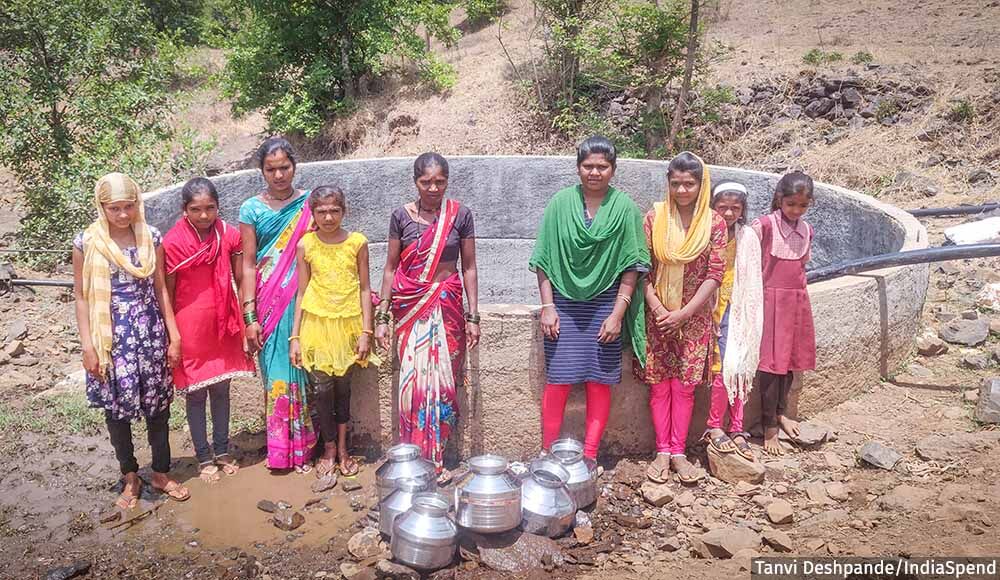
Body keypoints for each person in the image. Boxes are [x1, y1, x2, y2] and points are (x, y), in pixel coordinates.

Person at [72, 172, 190, 509]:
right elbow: (81, 296)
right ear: (101, 207)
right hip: (111, 340)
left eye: (129, 206)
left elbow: (160, 289)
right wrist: (88, 346)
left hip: (150, 334)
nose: (123, 215)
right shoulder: (86, 243)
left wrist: (174, 335)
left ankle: (162, 473)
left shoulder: (150, 237)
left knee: (158, 407)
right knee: (117, 411)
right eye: (115, 208)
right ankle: (130, 475)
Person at [529, 136, 650, 461]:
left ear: (613, 169)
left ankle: (590, 456)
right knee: (559, 381)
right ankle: (547, 452)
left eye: (602, 166)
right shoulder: (560, 204)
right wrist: (548, 306)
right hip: (563, 305)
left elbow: (632, 266)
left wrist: (618, 314)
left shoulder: (623, 208)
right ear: (578, 167)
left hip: (606, 305)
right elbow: (544, 259)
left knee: (599, 381)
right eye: (588, 165)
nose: (594, 172)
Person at [375, 152, 479, 485]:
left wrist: (472, 315)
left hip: (447, 306)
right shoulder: (399, 217)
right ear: (415, 181)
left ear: (447, 181)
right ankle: (412, 458)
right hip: (410, 308)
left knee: (445, 384)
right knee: (411, 387)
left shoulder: (460, 215)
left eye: (439, 181)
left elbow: (470, 267)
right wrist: (381, 317)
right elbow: (390, 268)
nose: (433, 188)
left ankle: (437, 458)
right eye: (426, 182)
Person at [639, 152, 727, 484]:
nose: (681, 190)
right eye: (675, 183)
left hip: (694, 319)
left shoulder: (714, 223)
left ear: (701, 185)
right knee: (660, 386)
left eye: (689, 184)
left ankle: (678, 452)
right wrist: (661, 310)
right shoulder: (654, 218)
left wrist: (685, 313)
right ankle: (662, 451)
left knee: (686, 388)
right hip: (659, 316)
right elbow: (641, 268)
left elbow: (714, 273)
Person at [163, 177, 255, 483]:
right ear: (184, 209)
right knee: (196, 394)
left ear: (218, 206)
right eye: (196, 209)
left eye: (210, 208)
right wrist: (173, 334)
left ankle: (222, 449)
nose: (204, 215)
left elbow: (241, 277)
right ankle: (203, 457)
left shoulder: (228, 234)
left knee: (222, 388)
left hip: (222, 322)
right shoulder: (173, 242)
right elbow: (168, 292)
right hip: (190, 326)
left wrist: (244, 319)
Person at [239, 137, 317, 472]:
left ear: (294, 167)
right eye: (271, 169)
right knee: (276, 376)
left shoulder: (311, 204)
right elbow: (247, 263)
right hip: (268, 302)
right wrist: (249, 314)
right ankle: (281, 448)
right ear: (262, 171)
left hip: (303, 299)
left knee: (303, 370)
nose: (279, 175)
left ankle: (304, 446)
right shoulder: (250, 209)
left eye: (284, 167)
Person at [290, 186, 377, 484]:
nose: (328, 217)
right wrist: (295, 337)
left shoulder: (357, 243)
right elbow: (301, 292)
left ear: (344, 211)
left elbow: (366, 288)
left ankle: (343, 449)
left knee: (344, 389)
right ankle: (327, 449)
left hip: (349, 326)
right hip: (317, 326)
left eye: (334, 211)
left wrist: (367, 331)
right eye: (322, 211)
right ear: (312, 214)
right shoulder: (306, 245)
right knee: (322, 391)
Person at [751, 171, 817, 456]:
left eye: (802, 206)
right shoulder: (764, 226)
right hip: (770, 303)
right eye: (791, 204)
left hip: (796, 302)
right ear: (779, 199)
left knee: (790, 363)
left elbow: (801, 267)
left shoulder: (806, 230)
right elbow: (747, 262)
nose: (796, 210)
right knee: (769, 367)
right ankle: (768, 426)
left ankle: (782, 413)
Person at [702, 182, 763, 462]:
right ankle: (715, 426)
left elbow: (753, 279)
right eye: (722, 207)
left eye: (735, 208)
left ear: (743, 210)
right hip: (709, 309)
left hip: (737, 310)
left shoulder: (748, 237)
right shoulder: (704, 234)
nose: (728, 213)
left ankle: (737, 428)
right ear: (712, 207)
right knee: (720, 369)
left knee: (739, 367)